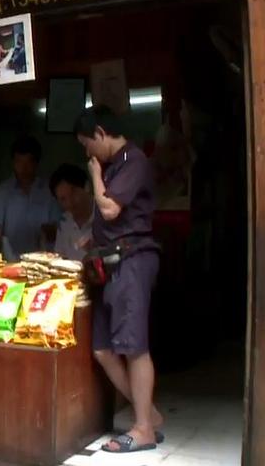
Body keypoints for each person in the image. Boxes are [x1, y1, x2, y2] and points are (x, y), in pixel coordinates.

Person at [74, 105, 165, 454]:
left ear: (100, 134)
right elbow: (109, 219)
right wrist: (92, 238)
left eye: (87, 144)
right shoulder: (115, 165)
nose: (87, 153)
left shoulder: (133, 159)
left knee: (133, 345)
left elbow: (111, 208)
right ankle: (150, 415)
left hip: (132, 261)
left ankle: (142, 429)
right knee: (103, 348)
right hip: (110, 263)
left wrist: (95, 174)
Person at [0, 135, 63, 257]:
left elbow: (62, 227)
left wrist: (51, 231)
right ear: (13, 162)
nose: (24, 168)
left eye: (28, 162)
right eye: (19, 162)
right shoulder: (2, 192)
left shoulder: (50, 191)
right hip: (10, 260)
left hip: (44, 260)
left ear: (36, 163)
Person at [49, 163, 94, 261]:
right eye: (63, 199)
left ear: (87, 187)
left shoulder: (106, 216)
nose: (70, 203)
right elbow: (59, 260)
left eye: (73, 193)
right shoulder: (64, 223)